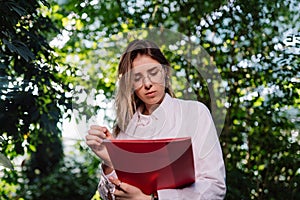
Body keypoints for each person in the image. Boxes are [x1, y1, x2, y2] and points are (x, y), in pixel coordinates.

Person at [86, 39, 226, 200]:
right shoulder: (125, 129)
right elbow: (108, 196)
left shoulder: (195, 113)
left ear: (165, 72)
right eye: (137, 77)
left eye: (153, 73)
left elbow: (215, 187)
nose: (147, 84)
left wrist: (153, 198)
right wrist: (110, 161)